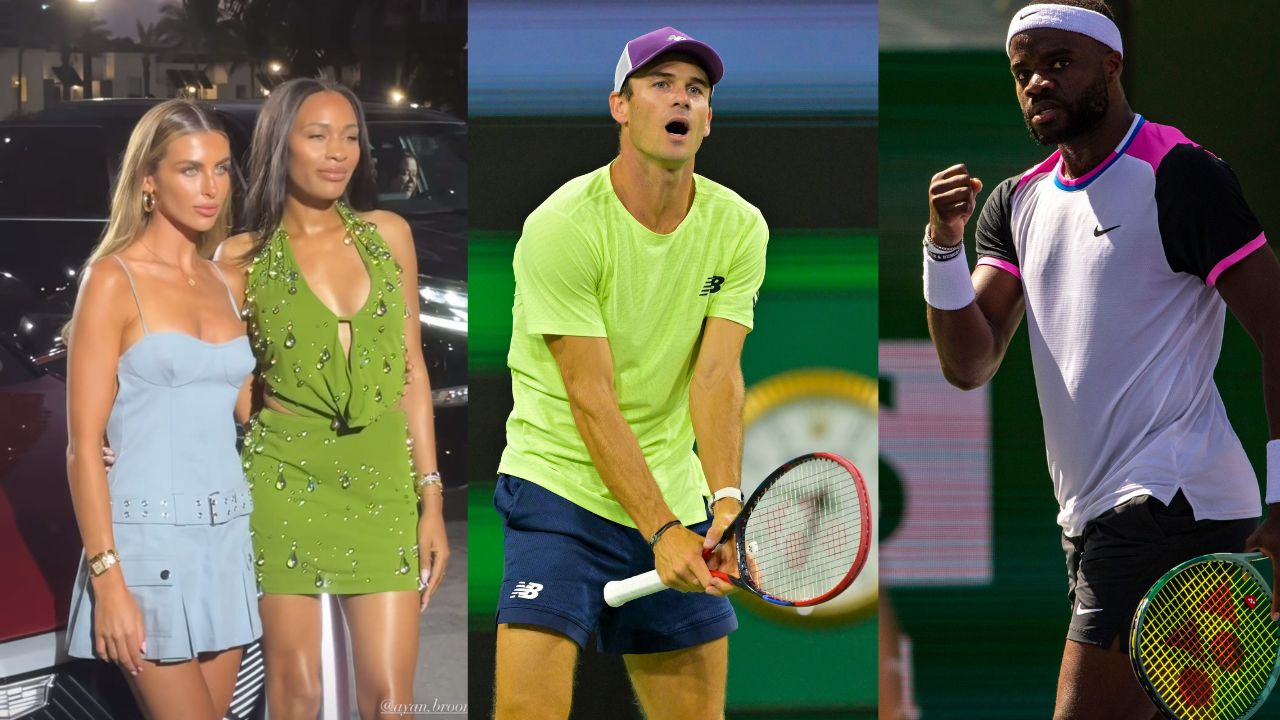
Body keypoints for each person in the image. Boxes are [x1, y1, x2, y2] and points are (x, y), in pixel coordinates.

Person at [921, 2, 1280, 717]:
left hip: (1170, 502)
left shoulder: (1179, 174)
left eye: (1059, 64)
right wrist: (942, 248)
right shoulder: (1015, 201)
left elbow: (1276, 325)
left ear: (1112, 66)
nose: (1037, 83)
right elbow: (970, 361)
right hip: (1093, 519)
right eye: (1023, 71)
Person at [491, 26, 768, 720]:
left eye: (695, 90)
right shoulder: (563, 225)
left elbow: (715, 378)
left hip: (674, 487)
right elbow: (591, 396)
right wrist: (660, 530)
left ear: (708, 119)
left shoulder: (739, 227)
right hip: (560, 488)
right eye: (660, 84)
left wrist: (724, 501)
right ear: (620, 105)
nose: (680, 99)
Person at [216, 78, 449, 720]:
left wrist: (430, 498)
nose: (337, 152)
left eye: (349, 137)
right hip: (284, 481)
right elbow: (229, 386)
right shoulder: (240, 258)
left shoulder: (388, 233)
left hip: (382, 482)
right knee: (297, 695)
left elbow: (412, 373)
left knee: (393, 700)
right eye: (317, 136)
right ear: (280, 145)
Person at [64, 99, 260, 719]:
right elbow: (82, 448)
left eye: (221, 169)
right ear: (149, 181)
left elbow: (248, 413)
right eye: (190, 170)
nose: (211, 188)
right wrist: (107, 578)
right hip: (147, 543)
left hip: (228, 536)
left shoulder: (227, 281)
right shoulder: (112, 279)